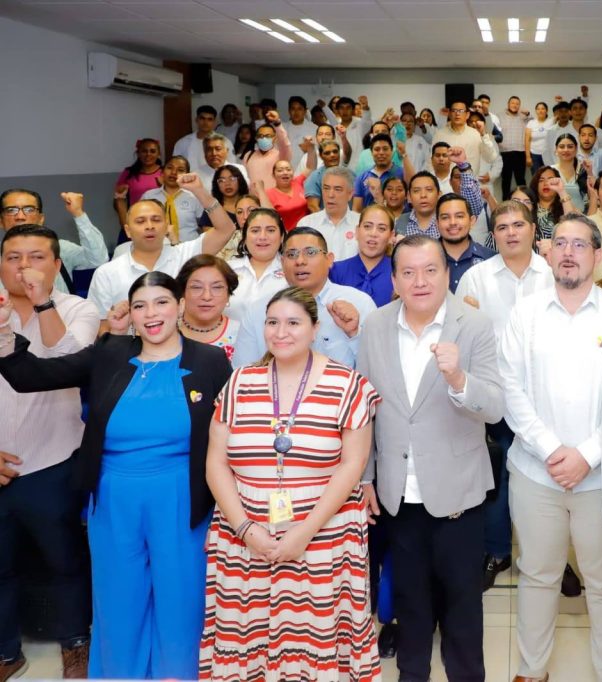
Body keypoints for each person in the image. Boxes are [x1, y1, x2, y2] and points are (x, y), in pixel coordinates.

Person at [0, 271, 233, 680]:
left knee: (181, 600)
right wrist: (3, 331)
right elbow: (32, 376)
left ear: (180, 305)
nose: (151, 314)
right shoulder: (109, 351)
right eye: (140, 305)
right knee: (118, 600)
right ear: (130, 314)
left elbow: (234, 431)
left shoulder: (210, 361)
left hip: (182, 497)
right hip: (113, 497)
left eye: (161, 302)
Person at [200, 286, 382, 681]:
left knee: (315, 640)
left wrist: (304, 532)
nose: (281, 332)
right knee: (247, 638)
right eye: (272, 322)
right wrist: (245, 528)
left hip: (324, 535)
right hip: (245, 536)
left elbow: (352, 464)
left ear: (315, 329)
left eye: (293, 323)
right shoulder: (239, 382)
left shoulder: (347, 384)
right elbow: (215, 462)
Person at [499, 213, 602, 682]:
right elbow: (511, 389)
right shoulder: (524, 314)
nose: (568, 252)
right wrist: (550, 450)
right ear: (548, 252)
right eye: (560, 243)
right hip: (535, 472)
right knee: (538, 575)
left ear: (598, 256)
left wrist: (587, 456)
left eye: (580, 245)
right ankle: (532, 670)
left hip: (600, 478)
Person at [357, 234, 504, 682]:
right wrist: (365, 478)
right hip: (397, 493)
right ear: (394, 280)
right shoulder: (376, 325)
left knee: (462, 610)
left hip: (458, 492)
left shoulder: (474, 324)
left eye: (430, 270)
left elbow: (495, 408)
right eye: (408, 272)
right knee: (411, 607)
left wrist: (459, 378)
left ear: (446, 273)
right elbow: (364, 409)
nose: (419, 281)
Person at [0, 225, 99, 680]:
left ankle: (75, 643)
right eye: (13, 257)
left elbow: (69, 361)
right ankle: (6, 652)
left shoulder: (79, 308)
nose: (24, 267)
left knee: (64, 561)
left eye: (36, 257)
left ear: (57, 265)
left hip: (54, 460)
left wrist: (43, 304)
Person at [455, 201, 554, 589]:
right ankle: (496, 551)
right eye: (502, 227)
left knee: (544, 481)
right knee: (498, 478)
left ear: (533, 230)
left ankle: (547, 557)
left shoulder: (552, 274)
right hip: (495, 397)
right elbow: (461, 334)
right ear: (493, 235)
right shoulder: (476, 277)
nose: (511, 233)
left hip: (544, 398)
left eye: (518, 225)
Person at [90, 174, 237, 328]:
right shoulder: (106, 273)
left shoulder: (184, 255)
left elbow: (226, 229)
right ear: (127, 230)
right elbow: (101, 328)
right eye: (140, 221)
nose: (149, 226)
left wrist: (200, 191)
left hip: (184, 340)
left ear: (167, 226)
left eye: (156, 220)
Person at [232, 226, 375, 368]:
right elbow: (243, 372)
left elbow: (375, 368)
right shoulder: (259, 310)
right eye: (291, 254)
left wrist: (354, 334)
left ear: (329, 259)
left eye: (310, 252)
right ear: (282, 262)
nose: (300, 261)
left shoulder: (360, 303)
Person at [0, 189, 109, 295]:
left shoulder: (60, 248)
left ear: (41, 219)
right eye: (11, 210)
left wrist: (78, 214)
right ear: (1, 221)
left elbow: (98, 259)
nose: (20, 217)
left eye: (29, 209)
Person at [175, 254, 240, 362]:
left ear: (228, 294)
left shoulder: (242, 334)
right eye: (196, 287)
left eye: (217, 287)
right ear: (182, 292)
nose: (206, 296)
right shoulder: (167, 331)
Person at [328, 204, 395, 308]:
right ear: (357, 231)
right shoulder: (336, 271)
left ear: (391, 236)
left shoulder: (399, 272)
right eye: (367, 226)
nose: (373, 233)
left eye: (381, 228)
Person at [296, 166, 359, 260]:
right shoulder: (306, 224)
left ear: (350, 194)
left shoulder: (361, 223)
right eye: (326, 188)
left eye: (337, 189)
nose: (330, 195)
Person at [437, 193, 495, 292]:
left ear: (472, 221)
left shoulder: (491, 259)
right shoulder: (423, 259)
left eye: (459, 216)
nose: (453, 222)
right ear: (437, 223)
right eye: (445, 217)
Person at [140, 156, 205, 243]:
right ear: (162, 171)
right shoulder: (148, 196)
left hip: (189, 247)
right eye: (170, 168)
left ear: (187, 175)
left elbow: (204, 226)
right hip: (157, 247)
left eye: (180, 170)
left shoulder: (194, 197)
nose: (174, 172)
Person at [434, 98, 499, 174]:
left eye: (461, 111)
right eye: (454, 110)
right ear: (450, 114)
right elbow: (432, 161)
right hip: (447, 179)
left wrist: (483, 134)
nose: (457, 114)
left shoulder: (478, 135)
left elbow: (491, 158)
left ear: (467, 115)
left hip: (471, 179)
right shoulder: (440, 134)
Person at [257, 156, 315, 232]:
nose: (285, 173)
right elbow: (269, 216)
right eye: (280, 170)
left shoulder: (298, 182)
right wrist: (260, 189)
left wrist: (311, 150)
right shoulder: (268, 194)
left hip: (309, 230)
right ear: (273, 175)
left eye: (288, 169)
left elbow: (310, 167)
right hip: (287, 234)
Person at [114, 138, 162, 225]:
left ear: (159, 154)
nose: (148, 154)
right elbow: (118, 201)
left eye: (152, 151)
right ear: (138, 154)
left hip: (159, 219)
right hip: (136, 220)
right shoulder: (129, 173)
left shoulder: (165, 172)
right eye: (144, 151)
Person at [243, 110, 291, 191]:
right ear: (256, 138)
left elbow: (285, 144)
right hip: (253, 197)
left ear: (275, 138)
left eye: (268, 136)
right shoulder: (248, 155)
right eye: (260, 136)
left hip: (274, 197)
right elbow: (244, 179)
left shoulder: (281, 155)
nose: (264, 138)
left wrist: (277, 123)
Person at [497, 96, 529, 199]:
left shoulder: (524, 117)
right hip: (505, 152)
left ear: (519, 105)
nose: (515, 105)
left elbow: (534, 123)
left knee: (521, 180)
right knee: (506, 180)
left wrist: (528, 113)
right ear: (508, 104)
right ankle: (505, 202)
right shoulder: (499, 116)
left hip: (520, 152)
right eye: (512, 103)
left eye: (517, 103)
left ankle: (524, 201)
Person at [173, 105, 219, 171]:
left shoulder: (225, 142)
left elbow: (230, 166)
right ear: (196, 120)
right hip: (189, 177)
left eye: (210, 119)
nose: (205, 122)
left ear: (214, 122)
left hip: (215, 177)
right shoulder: (183, 142)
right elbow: (175, 165)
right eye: (202, 118)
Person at [525, 102, 552, 173]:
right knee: (536, 176)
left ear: (546, 110)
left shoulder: (551, 122)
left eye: (543, 109)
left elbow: (561, 114)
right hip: (534, 155)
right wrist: (528, 157)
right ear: (536, 111)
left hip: (548, 155)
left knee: (549, 175)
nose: (540, 111)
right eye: (538, 109)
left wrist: (560, 102)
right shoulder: (531, 123)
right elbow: (527, 140)